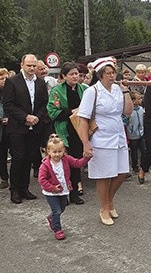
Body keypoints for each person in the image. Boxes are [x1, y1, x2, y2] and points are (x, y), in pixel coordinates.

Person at [76, 57, 134, 226]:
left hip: (118, 136)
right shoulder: (92, 92)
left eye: (113, 72)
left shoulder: (117, 89)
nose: (111, 76)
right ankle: (103, 208)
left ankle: (109, 201)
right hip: (101, 139)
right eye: (108, 73)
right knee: (104, 176)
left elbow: (128, 111)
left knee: (122, 172)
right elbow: (83, 120)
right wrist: (86, 143)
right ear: (100, 75)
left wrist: (125, 91)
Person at [4, 54, 49, 204]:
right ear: (21, 65)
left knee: (30, 158)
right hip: (17, 127)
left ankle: (24, 188)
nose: (31, 68)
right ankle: (14, 190)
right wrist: (25, 117)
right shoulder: (12, 82)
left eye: (34, 66)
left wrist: (36, 117)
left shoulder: (41, 83)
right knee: (19, 158)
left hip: (35, 127)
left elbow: (44, 104)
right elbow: (8, 105)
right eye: (29, 65)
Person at [47, 62, 89, 205]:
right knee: (64, 163)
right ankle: (63, 192)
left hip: (80, 131)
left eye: (77, 73)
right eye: (71, 74)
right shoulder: (57, 91)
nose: (75, 76)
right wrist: (71, 112)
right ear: (64, 76)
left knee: (76, 162)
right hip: (65, 130)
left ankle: (75, 192)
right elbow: (52, 112)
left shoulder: (84, 89)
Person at [38, 134, 90, 240]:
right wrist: (52, 188)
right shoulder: (45, 165)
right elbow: (42, 180)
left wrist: (86, 158)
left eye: (59, 151)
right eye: (54, 152)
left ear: (64, 151)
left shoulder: (66, 159)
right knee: (57, 210)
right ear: (48, 151)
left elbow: (77, 163)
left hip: (63, 190)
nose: (57, 154)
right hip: (51, 192)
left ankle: (52, 218)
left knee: (62, 208)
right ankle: (58, 229)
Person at [125, 90, 145, 174]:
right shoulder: (129, 111)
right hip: (133, 135)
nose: (141, 100)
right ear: (133, 101)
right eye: (139, 98)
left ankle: (143, 165)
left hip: (141, 133)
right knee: (134, 152)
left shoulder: (141, 109)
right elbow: (125, 121)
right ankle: (134, 166)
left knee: (144, 150)